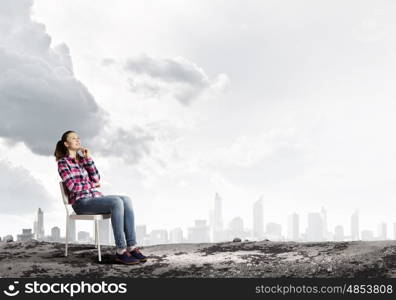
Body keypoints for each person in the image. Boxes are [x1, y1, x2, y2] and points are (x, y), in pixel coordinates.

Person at [54, 130, 147, 265]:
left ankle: (131, 247)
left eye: (78, 138)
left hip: (93, 199)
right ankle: (121, 251)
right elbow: (73, 187)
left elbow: (97, 178)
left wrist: (88, 159)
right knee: (116, 202)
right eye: (74, 138)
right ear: (66, 144)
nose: (78, 140)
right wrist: (92, 185)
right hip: (81, 203)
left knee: (126, 199)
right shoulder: (63, 163)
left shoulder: (82, 160)